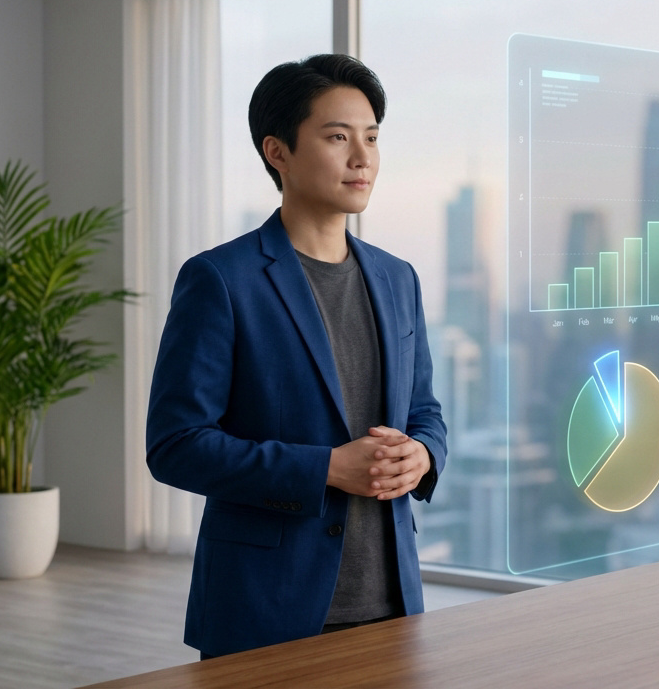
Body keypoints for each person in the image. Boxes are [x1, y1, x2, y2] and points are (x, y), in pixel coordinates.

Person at [145, 54, 447, 659]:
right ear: (277, 151)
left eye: (372, 138)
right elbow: (175, 446)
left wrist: (422, 456)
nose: (362, 157)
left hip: (391, 609)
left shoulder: (397, 278)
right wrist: (326, 469)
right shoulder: (221, 280)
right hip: (268, 610)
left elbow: (425, 412)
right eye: (338, 137)